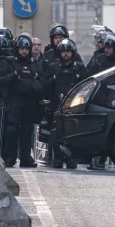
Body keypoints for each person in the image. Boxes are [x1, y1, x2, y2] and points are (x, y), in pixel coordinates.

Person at [44, 38, 87, 169]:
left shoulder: (79, 67)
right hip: (57, 105)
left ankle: (70, 158)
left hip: (74, 107)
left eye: (68, 51)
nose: (65, 54)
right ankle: (57, 158)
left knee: (72, 133)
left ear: (73, 52)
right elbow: (45, 86)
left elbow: (86, 86)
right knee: (56, 133)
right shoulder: (53, 67)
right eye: (63, 52)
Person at [2, 34, 42, 168]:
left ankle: (25, 158)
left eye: (26, 49)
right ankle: (10, 157)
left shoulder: (33, 64)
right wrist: (13, 75)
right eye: (21, 49)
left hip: (29, 101)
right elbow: (1, 80)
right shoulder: (10, 62)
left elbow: (40, 80)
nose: (24, 51)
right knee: (12, 130)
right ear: (17, 49)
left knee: (27, 130)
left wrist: (35, 87)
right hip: (14, 100)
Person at [86, 34, 115, 170]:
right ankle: (94, 159)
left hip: (113, 99)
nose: (106, 50)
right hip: (99, 99)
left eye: (109, 48)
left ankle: (103, 159)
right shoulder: (99, 59)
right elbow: (89, 75)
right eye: (105, 47)